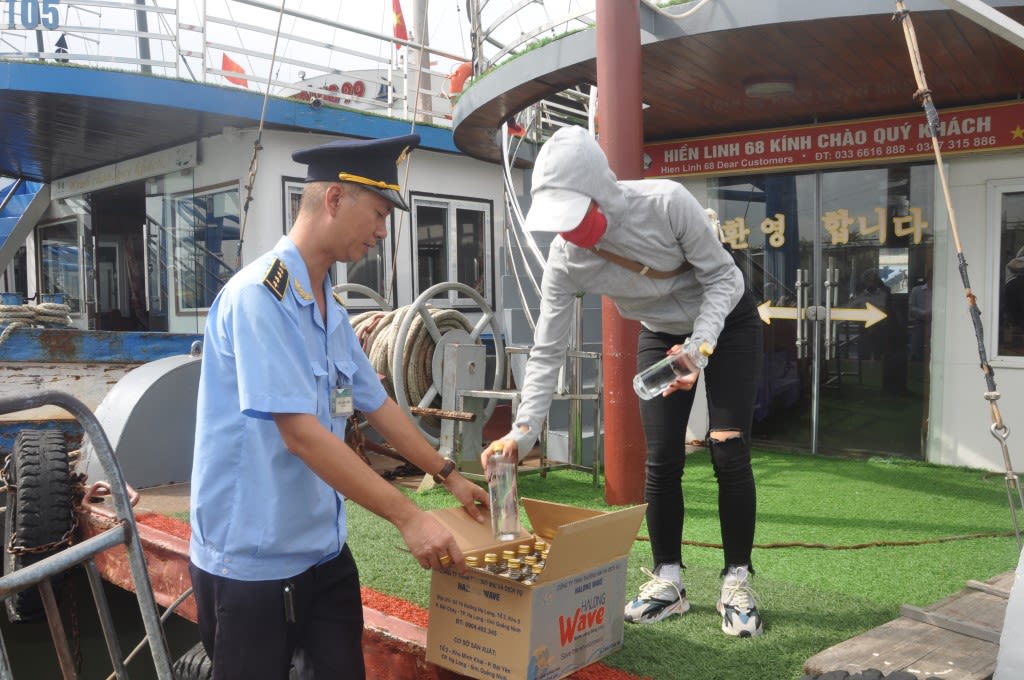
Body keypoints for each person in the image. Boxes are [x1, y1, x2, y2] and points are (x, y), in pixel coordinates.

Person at [188, 133, 489, 679]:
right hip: (253, 567)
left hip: (323, 557)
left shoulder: (327, 303)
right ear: (333, 201)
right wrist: (409, 518)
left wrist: (448, 475)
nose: (382, 230)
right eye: (377, 213)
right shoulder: (262, 297)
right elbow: (300, 433)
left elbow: (378, 404)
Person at [480, 126, 765, 637]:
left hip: (727, 318)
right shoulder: (565, 261)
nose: (568, 233)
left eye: (577, 217)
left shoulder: (667, 203)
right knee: (661, 458)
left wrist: (699, 349)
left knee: (727, 448)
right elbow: (548, 350)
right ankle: (668, 581)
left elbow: (723, 278)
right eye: (559, 222)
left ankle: (737, 579)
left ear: (602, 193)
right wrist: (521, 435)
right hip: (659, 332)